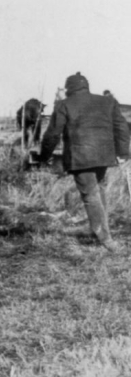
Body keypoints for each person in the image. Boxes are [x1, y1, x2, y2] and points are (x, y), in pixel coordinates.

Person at [38, 72, 131, 252]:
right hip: (104, 156)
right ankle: (101, 231)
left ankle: (106, 239)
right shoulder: (107, 101)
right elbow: (121, 128)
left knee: (90, 195)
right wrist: (123, 152)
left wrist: (43, 157)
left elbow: (52, 134)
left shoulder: (63, 104)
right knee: (99, 191)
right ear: (86, 86)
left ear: (69, 89)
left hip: (80, 157)